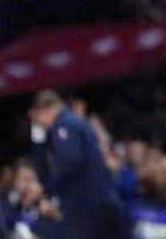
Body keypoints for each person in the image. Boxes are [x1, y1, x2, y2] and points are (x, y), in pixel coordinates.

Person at [29, 89, 131, 239]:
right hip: (101, 202)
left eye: (39, 118)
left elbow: (70, 161)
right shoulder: (75, 122)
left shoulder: (64, 124)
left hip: (87, 206)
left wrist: (49, 188)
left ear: (46, 111)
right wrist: (37, 134)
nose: (41, 124)